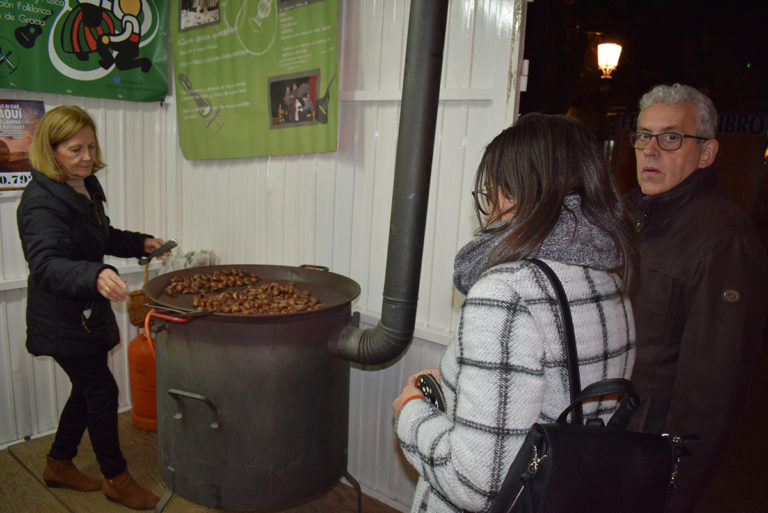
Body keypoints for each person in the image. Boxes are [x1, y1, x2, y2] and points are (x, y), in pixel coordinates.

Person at [392, 113, 637, 512]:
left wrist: (409, 411)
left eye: (490, 193)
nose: (487, 212)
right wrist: (457, 385)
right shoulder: (608, 277)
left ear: (515, 193)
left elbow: (475, 483)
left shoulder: (506, 292)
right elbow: (551, 397)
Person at [624, 83, 768, 513]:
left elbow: (713, 389)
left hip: (650, 456)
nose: (651, 150)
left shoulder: (725, 240)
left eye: (671, 138)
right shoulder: (628, 213)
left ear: (706, 153)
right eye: (644, 136)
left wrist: (672, 484)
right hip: (610, 434)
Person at [16, 105, 168, 510]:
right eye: (74, 149)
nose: (86, 156)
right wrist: (94, 275)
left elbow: (101, 235)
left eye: (89, 146)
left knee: (86, 391)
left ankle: (59, 462)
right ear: (50, 151)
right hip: (62, 318)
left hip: (86, 314)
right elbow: (47, 265)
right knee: (101, 390)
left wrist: (140, 244)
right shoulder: (40, 202)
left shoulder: (84, 184)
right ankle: (116, 478)